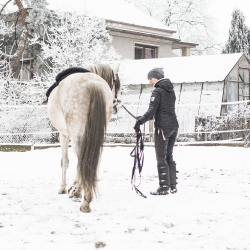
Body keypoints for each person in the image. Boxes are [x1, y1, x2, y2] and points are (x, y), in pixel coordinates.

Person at [134, 68, 179, 195]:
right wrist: (142, 118)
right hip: (174, 126)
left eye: (150, 78)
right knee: (169, 155)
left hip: (162, 128)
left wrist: (139, 122)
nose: (149, 81)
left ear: (157, 77)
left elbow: (152, 110)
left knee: (160, 157)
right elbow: (162, 111)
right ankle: (172, 186)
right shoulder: (171, 91)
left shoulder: (157, 91)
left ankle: (163, 187)